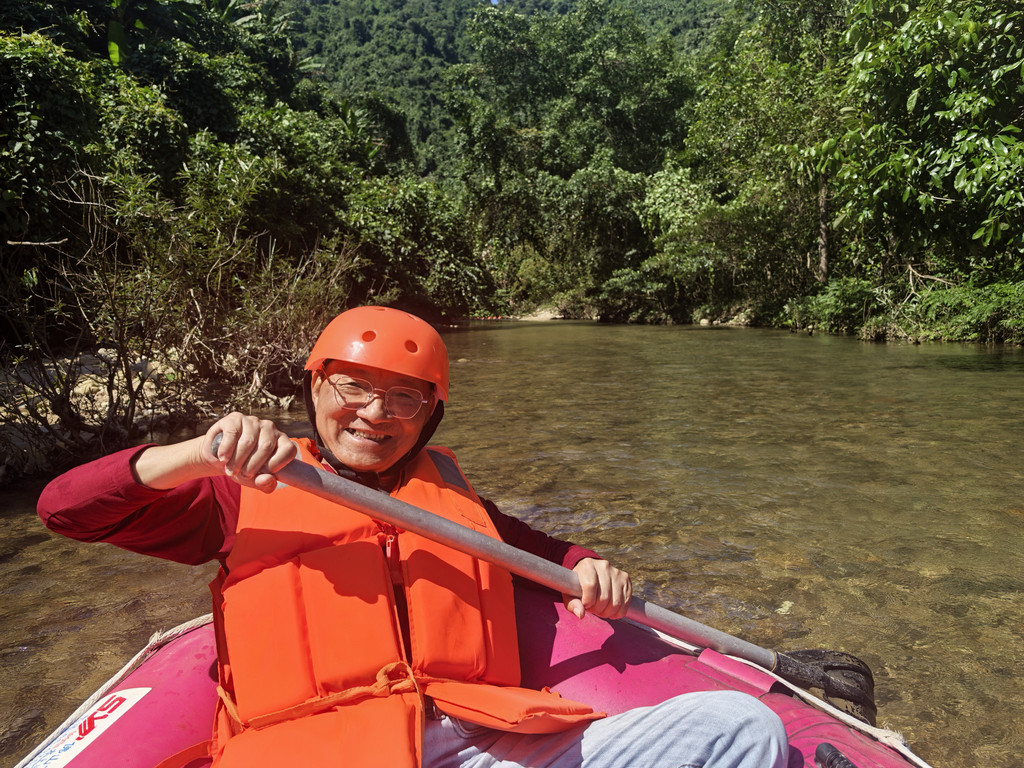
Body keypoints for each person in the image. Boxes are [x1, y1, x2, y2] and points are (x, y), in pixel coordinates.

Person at [38, 305, 789, 768]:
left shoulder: (448, 498)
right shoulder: (236, 491)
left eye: (404, 397)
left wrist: (591, 566)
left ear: (431, 414)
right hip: (320, 752)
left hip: (482, 742)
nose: (376, 413)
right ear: (315, 386)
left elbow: (538, 551)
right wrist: (197, 454)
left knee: (740, 727)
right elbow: (65, 511)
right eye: (354, 387)